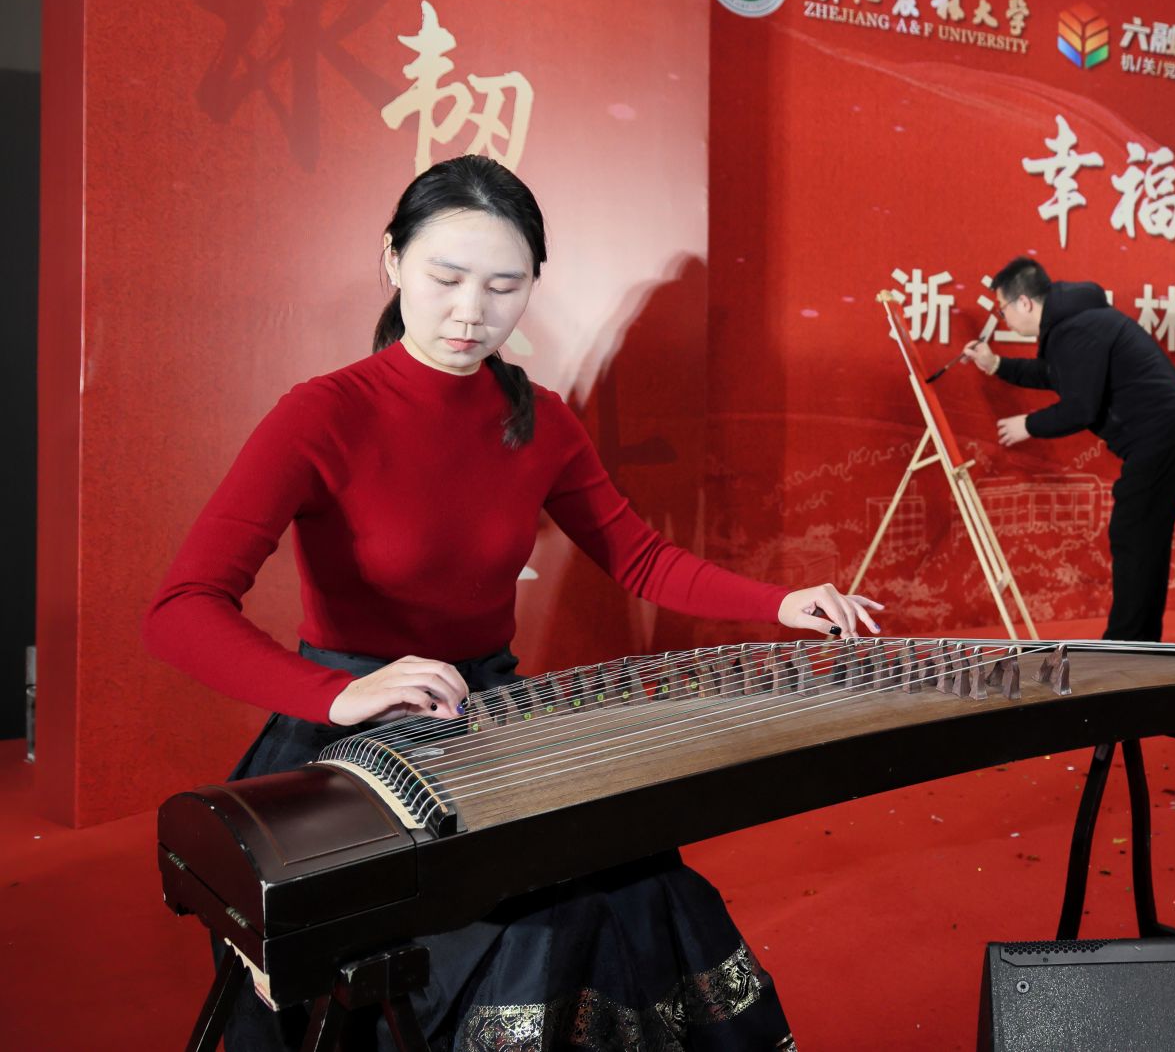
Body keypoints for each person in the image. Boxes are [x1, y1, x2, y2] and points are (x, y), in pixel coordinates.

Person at [143, 156, 878, 1052]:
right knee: (521, 923)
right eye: (445, 278)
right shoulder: (323, 414)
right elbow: (180, 607)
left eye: (504, 286)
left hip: (480, 722)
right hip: (345, 735)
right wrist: (342, 692)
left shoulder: (540, 418)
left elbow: (639, 556)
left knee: (631, 883)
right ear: (392, 260)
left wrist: (782, 599)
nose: (471, 312)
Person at [967, 257, 1175, 642]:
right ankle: (1139, 641)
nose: (1003, 318)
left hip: (1162, 434)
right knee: (1143, 536)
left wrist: (1027, 425)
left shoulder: (1074, 328)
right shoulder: (1073, 322)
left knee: (1135, 534)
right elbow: (1055, 374)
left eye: (1002, 308)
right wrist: (995, 364)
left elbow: (1081, 408)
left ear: (1024, 302)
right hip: (1169, 432)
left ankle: (1127, 643)